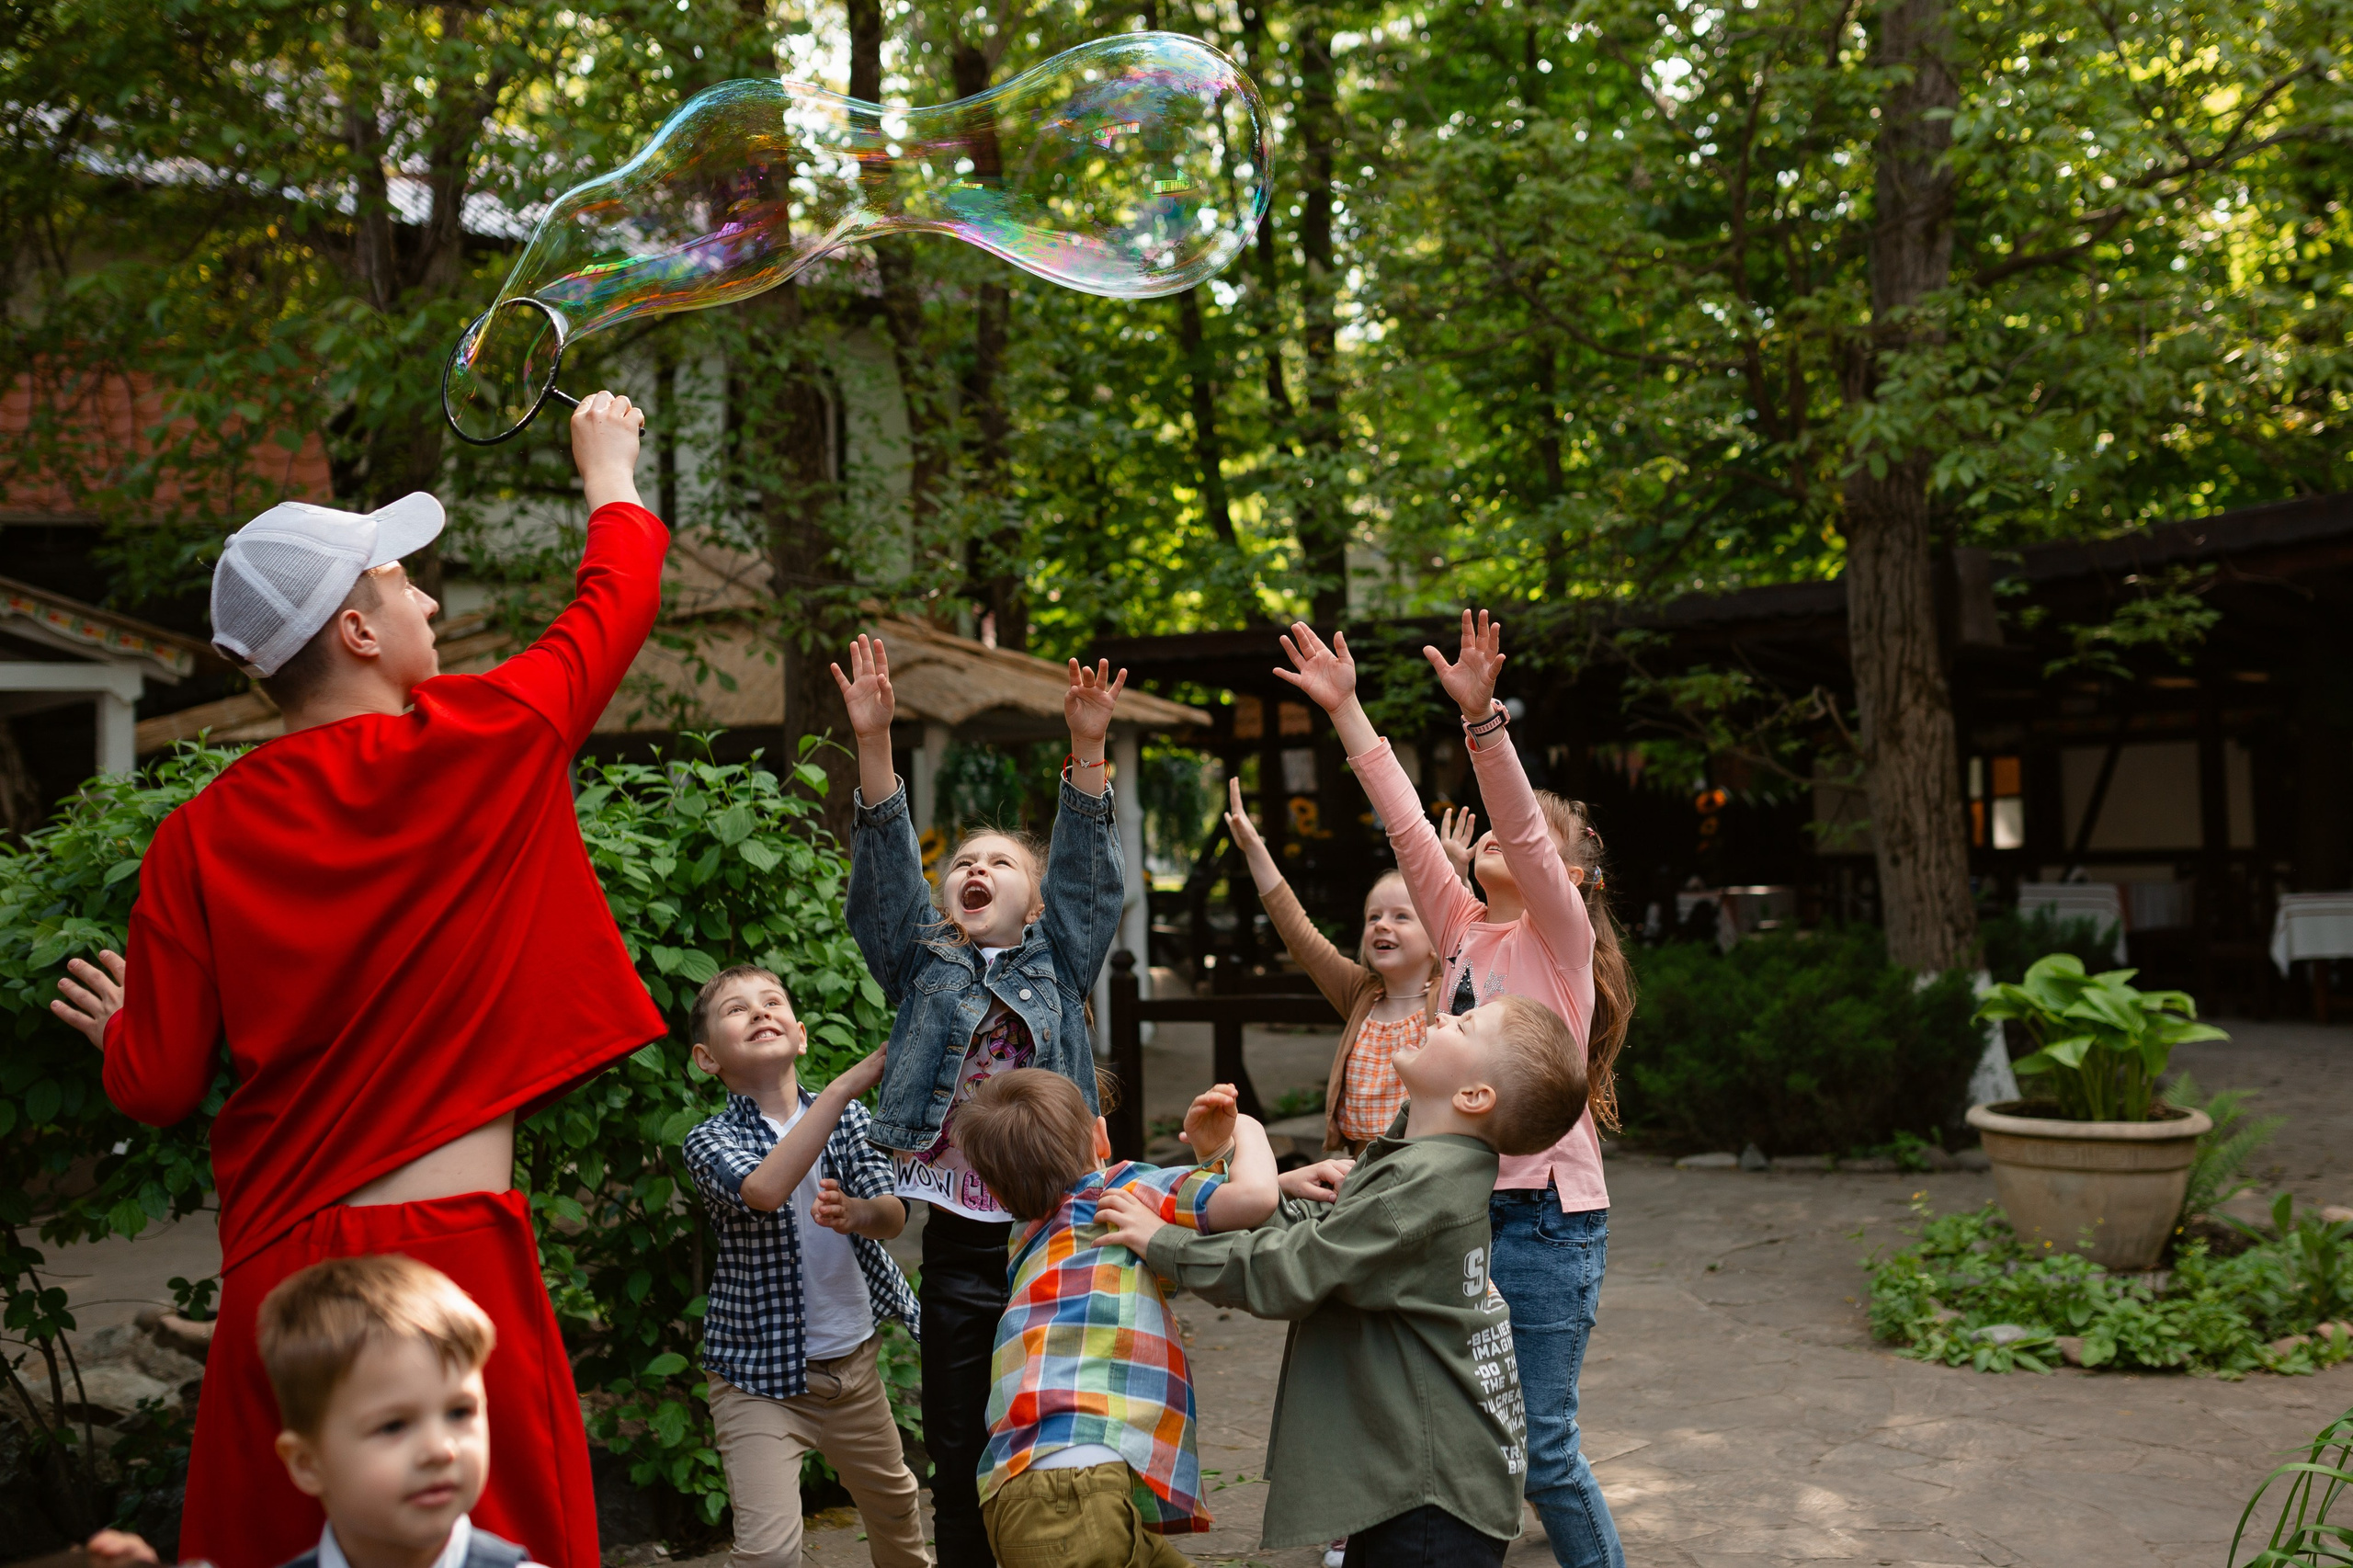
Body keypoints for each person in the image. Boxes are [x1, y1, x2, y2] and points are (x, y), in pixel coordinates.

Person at [51, 393, 668, 1568]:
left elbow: (163, 1084)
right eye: (398, 581)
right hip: (443, 1257)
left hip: (278, 1273)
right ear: (360, 632)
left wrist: (125, 1031)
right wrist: (609, 467)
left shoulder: (196, 835)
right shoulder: (477, 737)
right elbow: (617, 599)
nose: (426, 596)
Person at [1273, 611, 1636, 1568]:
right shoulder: (1467, 928)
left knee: (1542, 1453)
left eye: (1542, 840)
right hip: (1460, 1208)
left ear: (1566, 876)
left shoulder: (1560, 945)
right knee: (1470, 1437)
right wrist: (1349, 711)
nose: (1512, 839)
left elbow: (1515, 818)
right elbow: (1402, 821)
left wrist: (1484, 725)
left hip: (1548, 1222)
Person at [1095, 994, 1589, 1568]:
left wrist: (1164, 1245)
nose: (1443, 1016)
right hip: (1415, 1480)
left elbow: (1298, 1270)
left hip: (1432, 1494)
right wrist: (1226, 1163)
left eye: (1465, 1023)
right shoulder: (1421, 1163)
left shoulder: (1426, 1184)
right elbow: (1322, 1239)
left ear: (1473, 1097)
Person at [831, 634, 1129, 1568]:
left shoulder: (1061, 953)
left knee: (1059, 1428)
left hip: (1055, 1230)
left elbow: (1086, 875)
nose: (977, 869)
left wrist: (1085, 756)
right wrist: (874, 745)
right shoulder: (922, 962)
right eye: (964, 859)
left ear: (1033, 904)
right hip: (960, 1240)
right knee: (957, 1441)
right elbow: (882, 886)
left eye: (1000, 862)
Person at [952, 1069, 1279, 1566]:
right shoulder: (1118, 1188)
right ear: (1101, 1136)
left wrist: (1264, 1176)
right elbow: (1255, 1199)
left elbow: (1184, 1233)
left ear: (997, 1194)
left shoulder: (1029, 1238)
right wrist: (1246, 1132)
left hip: (1021, 1495)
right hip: (1074, 1493)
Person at [678, 965, 928, 1568]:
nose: (761, 1012)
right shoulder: (709, 1140)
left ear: (801, 1034)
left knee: (896, 1503)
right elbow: (763, 1191)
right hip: (757, 1382)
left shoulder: (850, 1122)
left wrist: (856, 1214)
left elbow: (893, 1215)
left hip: (853, 1369)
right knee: (768, 1554)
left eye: (772, 1002)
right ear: (708, 1059)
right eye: (738, 1010)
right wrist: (844, 1087)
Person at [1222, 775, 1445, 1156]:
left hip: (1419, 1172)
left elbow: (1474, 939)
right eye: (1373, 917)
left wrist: (1452, 873)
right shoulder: (1361, 993)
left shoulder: (1450, 996)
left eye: (1401, 917)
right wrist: (1255, 848)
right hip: (1357, 1169)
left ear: (1436, 941)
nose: (1382, 925)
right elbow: (1300, 936)